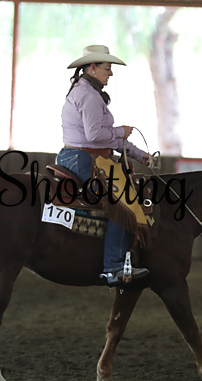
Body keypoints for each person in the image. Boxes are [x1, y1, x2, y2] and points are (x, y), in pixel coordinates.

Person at [56, 44, 151, 286]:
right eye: (107, 68)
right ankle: (114, 267)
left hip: (82, 155)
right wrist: (121, 131)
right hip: (82, 157)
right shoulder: (88, 95)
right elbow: (96, 135)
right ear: (92, 68)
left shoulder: (88, 92)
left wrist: (140, 155)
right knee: (121, 200)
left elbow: (106, 138)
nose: (110, 73)